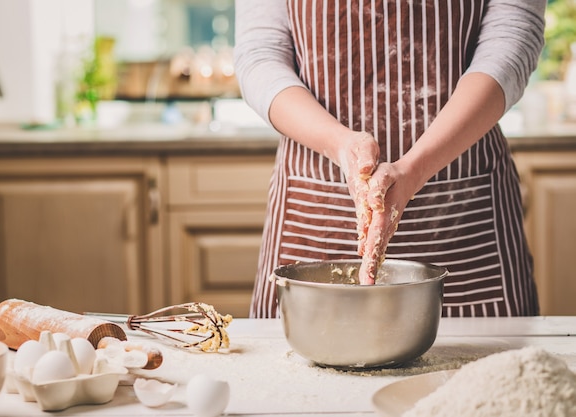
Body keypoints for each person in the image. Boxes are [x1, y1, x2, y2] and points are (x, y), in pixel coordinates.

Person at [234, 0, 546, 318]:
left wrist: (418, 165)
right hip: (315, 216)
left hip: (464, 225)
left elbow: (512, 37)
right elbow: (259, 56)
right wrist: (339, 144)